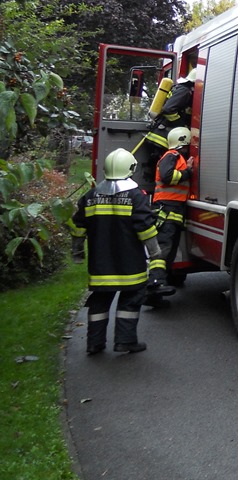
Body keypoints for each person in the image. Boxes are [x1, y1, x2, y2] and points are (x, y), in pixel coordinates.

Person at [70, 148, 160, 355]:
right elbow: (145, 228)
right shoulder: (136, 196)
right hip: (130, 265)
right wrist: (155, 252)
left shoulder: (90, 196)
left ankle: (94, 343)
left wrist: (77, 252)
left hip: (100, 265)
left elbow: (78, 227)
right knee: (131, 300)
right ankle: (125, 341)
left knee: (99, 302)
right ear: (130, 168)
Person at [145, 126, 193, 301]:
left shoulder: (175, 157)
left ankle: (155, 295)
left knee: (170, 250)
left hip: (173, 210)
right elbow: (167, 176)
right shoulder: (171, 155)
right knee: (163, 248)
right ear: (183, 141)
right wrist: (188, 172)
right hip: (167, 209)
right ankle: (155, 282)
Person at [134, 68, 196, 193]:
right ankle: (164, 197)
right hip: (163, 138)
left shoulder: (179, 89)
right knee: (165, 171)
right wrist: (181, 126)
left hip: (159, 136)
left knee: (157, 171)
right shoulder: (184, 91)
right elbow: (168, 110)